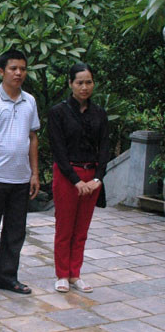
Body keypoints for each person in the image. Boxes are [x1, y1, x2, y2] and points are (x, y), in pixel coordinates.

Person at [0, 50, 40, 299]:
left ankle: (8, 276)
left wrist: (35, 174)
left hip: (21, 178)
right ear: (2, 71)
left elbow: (33, 138)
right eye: (13, 68)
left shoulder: (29, 101)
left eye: (22, 69)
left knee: (15, 231)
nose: (18, 73)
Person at [49, 62, 109, 293]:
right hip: (67, 175)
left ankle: (75, 273)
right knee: (64, 227)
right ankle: (62, 274)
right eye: (79, 82)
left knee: (82, 229)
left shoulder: (100, 113)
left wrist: (97, 179)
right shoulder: (58, 112)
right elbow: (58, 150)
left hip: (91, 177)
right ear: (70, 84)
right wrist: (76, 180)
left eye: (88, 82)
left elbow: (105, 148)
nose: (84, 87)